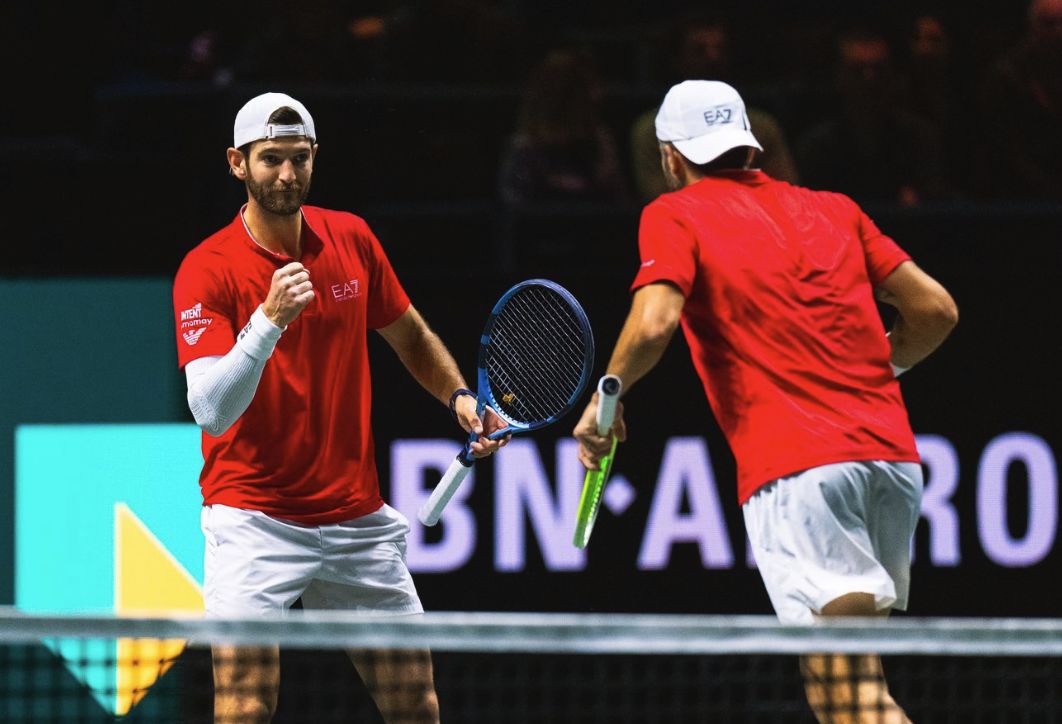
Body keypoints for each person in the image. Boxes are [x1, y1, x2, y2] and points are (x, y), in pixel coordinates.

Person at [573, 80, 958, 723]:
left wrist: (603, 405)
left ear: (670, 156)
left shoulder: (676, 213)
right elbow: (935, 311)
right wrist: (869, 370)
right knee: (840, 687)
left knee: (856, 696)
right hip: (891, 462)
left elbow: (653, 323)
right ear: (748, 143)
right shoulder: (836, 209)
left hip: (801, 469)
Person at [172, 92, 508, 723]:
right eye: (270, 159)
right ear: (236, 163)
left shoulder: (351, 237)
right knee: (244, 705)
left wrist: (459, 396)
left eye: (299, 158)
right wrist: (268, 321)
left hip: (356, 518)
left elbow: (408, 334)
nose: (287, 174)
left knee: (415, 703)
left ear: (315, 157)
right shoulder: (206, 269)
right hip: (253, 517)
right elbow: (211, 410)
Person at [630, 17, 799, 202]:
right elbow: (661, 200)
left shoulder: (762, 127)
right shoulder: (652, 131)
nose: (713, 58)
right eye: (699, 51)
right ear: (677, 60)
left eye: (720, 50)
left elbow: (786, 196)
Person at [795, 28, 951, 206]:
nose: (869, 79)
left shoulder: (919, 138)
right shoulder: (817, 147)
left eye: (878, 70)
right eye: (858, 71)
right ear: (839, 78)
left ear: (892, 75)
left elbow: (937, 204)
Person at [498, 48, 630, 204]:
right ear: (560, 96)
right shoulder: (526, 149)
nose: (598, 95)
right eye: (586, 87)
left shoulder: (599, 143)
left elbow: (616, 203)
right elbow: (516, 209)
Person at [977, 0, 1062, 200]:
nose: (1060, 32)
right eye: (1050, 24)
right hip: (1014, 201)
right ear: (1032, 28)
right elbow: (1005, 151)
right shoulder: (1006, 78)